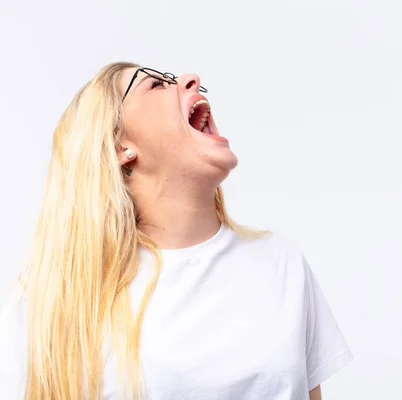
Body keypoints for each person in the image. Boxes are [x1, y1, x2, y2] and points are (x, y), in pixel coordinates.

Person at [0, 62, 352, 399]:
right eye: (154, 84)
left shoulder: (281, 263)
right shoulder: (55, 293)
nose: (189, 79)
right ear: (122, 145)